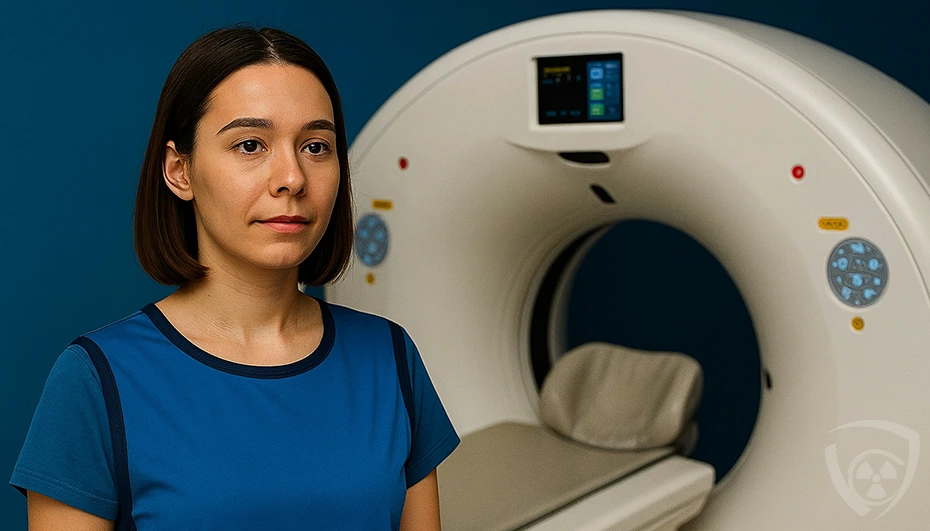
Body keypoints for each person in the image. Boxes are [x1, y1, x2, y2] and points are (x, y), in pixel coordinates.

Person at [10, 26, 460, 530]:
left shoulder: (390, 358)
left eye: (316, 146)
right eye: (250, 145)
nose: (291, 177)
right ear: (180, 170)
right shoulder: (95, 379)